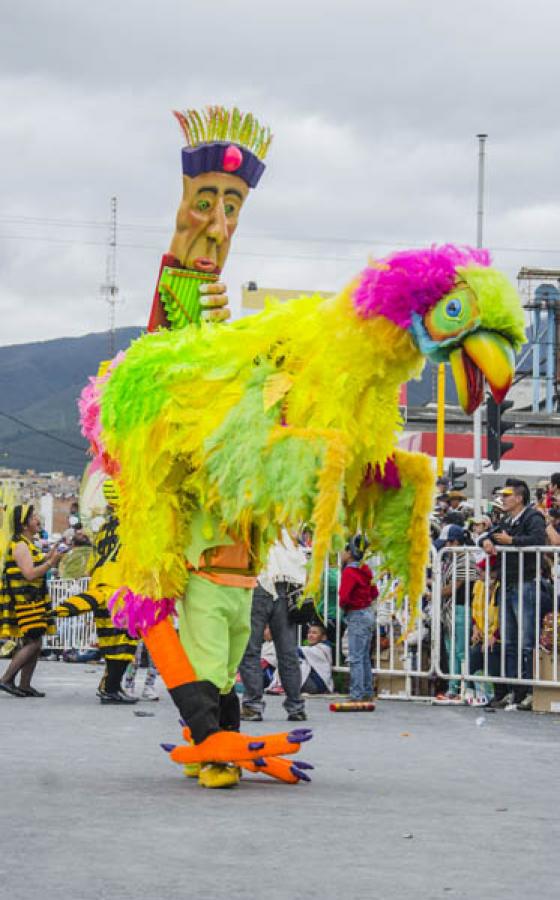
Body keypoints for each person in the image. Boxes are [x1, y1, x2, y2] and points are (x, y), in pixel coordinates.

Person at [482, 480, 546, 711]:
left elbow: (540, 541)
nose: (503, 498)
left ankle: (528, 691)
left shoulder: (532, 517)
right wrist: (488, 541)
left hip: (526, 583)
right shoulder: (506, 520)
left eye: (507, 495)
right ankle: (513, 691)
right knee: (508, 642)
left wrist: (512, 542)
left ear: (519, 497)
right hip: (507, 584)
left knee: (526, 641)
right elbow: (483, 536)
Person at [239, 529, 307, 723]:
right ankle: (296, 706)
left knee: (251, 650)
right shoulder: (286, 529)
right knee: (288, 652)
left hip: (258, 585)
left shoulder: (255, 521)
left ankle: (253, 706)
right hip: (286, 589)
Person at [0, 504, 63, 697]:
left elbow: (35, 564)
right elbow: (29, 573)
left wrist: (50, 555)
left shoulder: (27, 544)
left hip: (32, 599)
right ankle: (6, 679)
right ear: (25, 523)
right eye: (34, 517)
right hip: (25, 600)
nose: (38, 520)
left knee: (35, 640)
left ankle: (25, 684)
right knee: (34, 642)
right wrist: (50, 563)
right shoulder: (20, 545)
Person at [435, 524, 477, 703]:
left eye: (449, 542)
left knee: (460, 651)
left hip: (461, 608)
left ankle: (464, 687)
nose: (445, 546)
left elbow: (454, 587)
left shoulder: (466, 559)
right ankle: (453, 688)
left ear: (457, 542)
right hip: (449, 610)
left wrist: (432, 593)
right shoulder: (450, 559)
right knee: (450, 650)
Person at [339, 535, 378, 702]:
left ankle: (356, 694)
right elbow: (375, 592)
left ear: (349, 552)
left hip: (356, 614)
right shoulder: (366, 569)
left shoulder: (349, 571)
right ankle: (367, 692)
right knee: (364, 657)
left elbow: (344, 597)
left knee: (355, 657)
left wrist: (344, 607)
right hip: (368, 612)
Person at [298, 622, 334, 694]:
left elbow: (297, 651)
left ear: (323, 637)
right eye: (309, 632)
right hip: (311, 681)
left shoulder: (323, 648)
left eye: (314, 633)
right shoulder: (311, 648)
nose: (310, 635)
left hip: (317, 685)